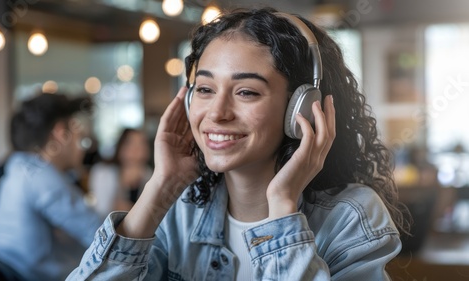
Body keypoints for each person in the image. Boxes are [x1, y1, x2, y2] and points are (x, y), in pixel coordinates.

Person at [68, 7, 408, 280]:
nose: (217, 113)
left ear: (301, 108)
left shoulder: (352, 216)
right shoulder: (182, 211)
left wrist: (282, 206)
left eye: (246, 92)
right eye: (204, 89)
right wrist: (161, 187)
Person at [0, 93, 103, 281]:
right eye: (80, 137)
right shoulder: (41, 177)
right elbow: (101, 235)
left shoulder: (18, 166)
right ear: (61, 134)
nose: (82, 148)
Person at [88, 128, 153, 217]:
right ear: (120, 147)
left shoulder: (150, 175)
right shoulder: (102, 173)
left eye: (142, 143)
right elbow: (102, 210)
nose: (137, 149)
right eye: (131, 143)